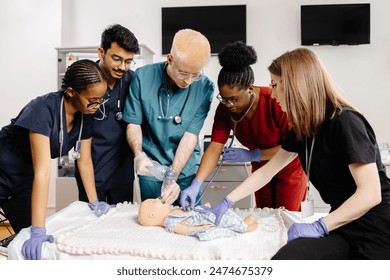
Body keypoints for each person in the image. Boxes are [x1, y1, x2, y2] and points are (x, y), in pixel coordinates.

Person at [196, 48, 390, 259]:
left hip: (376, 229)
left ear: (296, 85)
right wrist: (226, 202)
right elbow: (265, 173)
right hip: (343, 226)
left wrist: (320, 226)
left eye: (275, 85)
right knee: (286, 259)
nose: (272, 92)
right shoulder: (303, 129)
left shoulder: (346, 122)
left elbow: (370, 194)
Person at [0, 59, 108, 259]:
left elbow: (84, 161)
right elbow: (43, 171)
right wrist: (38, 230)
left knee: (28, 242)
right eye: (92, 100)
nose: (96, 106)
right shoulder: (43, 110)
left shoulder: (86, 113)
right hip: (4, 166)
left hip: (25, 176)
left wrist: (95, 203)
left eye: (100, 99)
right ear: (71, 92)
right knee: (35, 231)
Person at [180, 41, 306, 211]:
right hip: (260, 170)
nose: (229, 104)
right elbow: (214, 149)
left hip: (288, 168)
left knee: (287, 216)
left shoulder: (275, 102)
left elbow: (294, 146)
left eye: (234, 99)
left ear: (250, 88)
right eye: (224, 99)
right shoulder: (224, 110)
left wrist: (253, 154)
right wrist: (197, 182)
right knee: (265, 216)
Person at [123, 29, 214, 205]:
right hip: (152, 167)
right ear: (170, 59)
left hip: (186, 168)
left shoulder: (205, 88)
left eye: (195, 75)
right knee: (153, 221)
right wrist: (139, 155)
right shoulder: (143, 78)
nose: (188, 81)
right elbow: (133, 124)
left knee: (190, 220)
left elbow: (190, 135)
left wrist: (173, 177)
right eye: (183, 73)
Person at [74, 24, 139, 204]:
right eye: (117, 59)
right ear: (101, 52)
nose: (123, 67)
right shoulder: (84, 80)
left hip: (122, 173)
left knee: (119, 227)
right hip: (91, 169)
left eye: (128, 61)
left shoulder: (132, 81)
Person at [138, 198, 258, 240]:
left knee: (226, 213)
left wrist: (201, 207)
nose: (157, 199)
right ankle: (245, 228)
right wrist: (202, 227)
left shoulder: (171, 211)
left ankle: (241, 223)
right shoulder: (169, 222)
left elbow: (188, 212)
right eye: (154, 202)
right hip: (203, 221)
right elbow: (185, 230)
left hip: (202, 214)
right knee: (223, 221)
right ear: (152, 215)